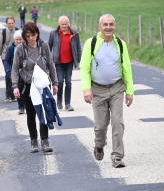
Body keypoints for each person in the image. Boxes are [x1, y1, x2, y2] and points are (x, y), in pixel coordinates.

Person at [79, 14, 134, 168]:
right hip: (97, 89)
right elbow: (84, 68)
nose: (108, 27)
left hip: (117, 87)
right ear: (100, 26)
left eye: (111, 24)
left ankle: (117, 156)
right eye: (105, 24)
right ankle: (99, 144)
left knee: (118, 122)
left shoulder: (120, 44)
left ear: (114, 26)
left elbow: (127, 68)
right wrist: (86, 89)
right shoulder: (91, 43)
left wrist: (130, 91)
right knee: (101, 125)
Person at [11, 22, 58, 153]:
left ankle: (45, 141)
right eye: (28, 36)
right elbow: (15, 69)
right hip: (27, 86)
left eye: (33, 35)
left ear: (37, 33)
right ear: (25, 37)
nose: (31, 38)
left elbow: (50, 64)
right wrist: (15, 86)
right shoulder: (21, 49)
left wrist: (55, 83)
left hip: (42, 86)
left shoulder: (44, 46)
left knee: (44, 112)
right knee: (31, 114)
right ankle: (33, 141)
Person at [48, 16, 82, 111]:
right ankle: (59, 101)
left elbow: (78, 47)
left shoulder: (74, 33)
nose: (64, 26)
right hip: (58, 62)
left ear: (68, 23)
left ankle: (67, 103)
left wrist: (78, 60)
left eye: (65, 24)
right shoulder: (53, 33)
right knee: (59, 81)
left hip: (69, 62)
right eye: (62, 24)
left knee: (68, 82)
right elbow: (48, 47)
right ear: (59, 24)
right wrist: (48, 59)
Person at [0, 17, 19, 102]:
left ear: (14, 23)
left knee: (15, 74)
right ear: (6, 24)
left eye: (12, 23)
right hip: (5, 57)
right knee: (9, 74)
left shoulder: (18, 32)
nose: (11, 25)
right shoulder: (3, 33)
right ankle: (8, 95)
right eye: (9, 23)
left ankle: (14, 94)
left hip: (16, 57)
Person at [4, 30, 26, 114]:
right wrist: (9, 72)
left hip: (25, 72)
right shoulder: (11, 48)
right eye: (17, 39)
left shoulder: (26, 47)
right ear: (14, 40)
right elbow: (7, 61)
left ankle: (27, 105)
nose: (18, 41)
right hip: (16, 72)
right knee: (18, 89)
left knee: (26, 89)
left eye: (20, 39)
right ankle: (21, 107)